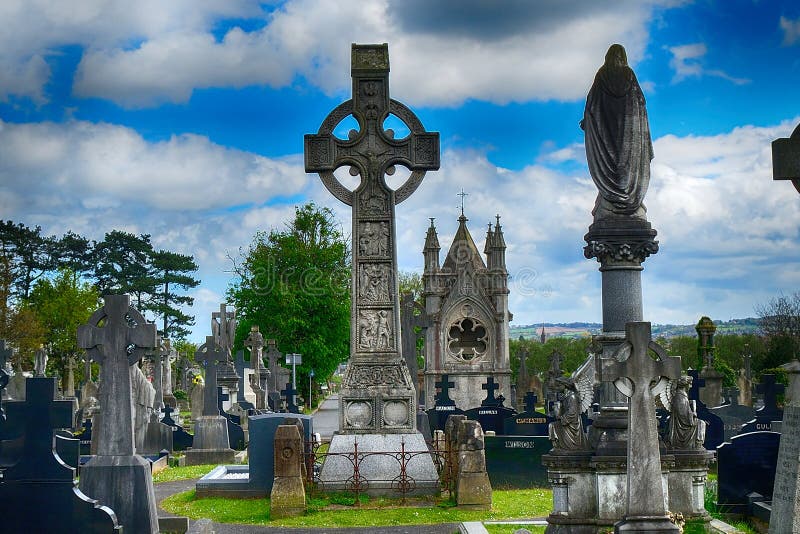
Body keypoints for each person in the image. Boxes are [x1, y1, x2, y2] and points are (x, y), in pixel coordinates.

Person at [582, 44, 653, 221]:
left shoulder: (602, 76)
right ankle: (629, 198)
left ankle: (611, 199)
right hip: (629, 135)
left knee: (611, 163)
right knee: (627, 165)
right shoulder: (629, 76)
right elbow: (640, 106)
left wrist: (589, 123)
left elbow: (592, 106)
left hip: (607, 134)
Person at [548, 377, 589, 451]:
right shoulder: (566, 397)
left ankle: (568, 447)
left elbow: (572, 413)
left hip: (572, 424)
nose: (557, 388)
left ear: (565, 385)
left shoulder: (572, 397)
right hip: (567, 422)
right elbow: (562, 412)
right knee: (552, 425)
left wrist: (562, 418)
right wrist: (560, 403)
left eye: (558, 386)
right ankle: (557, 446)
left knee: (554, 425)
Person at [667, 375, 706, 450]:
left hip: (684, 422)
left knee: (701, 422)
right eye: (690, 384)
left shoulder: (682, 395)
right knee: (701, 423)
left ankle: (697, 445)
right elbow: (682, 414)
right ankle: (697, 445)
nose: (690, 386)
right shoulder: (679, 396)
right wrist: (693, 414)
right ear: (685, 385)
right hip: (683, 425)